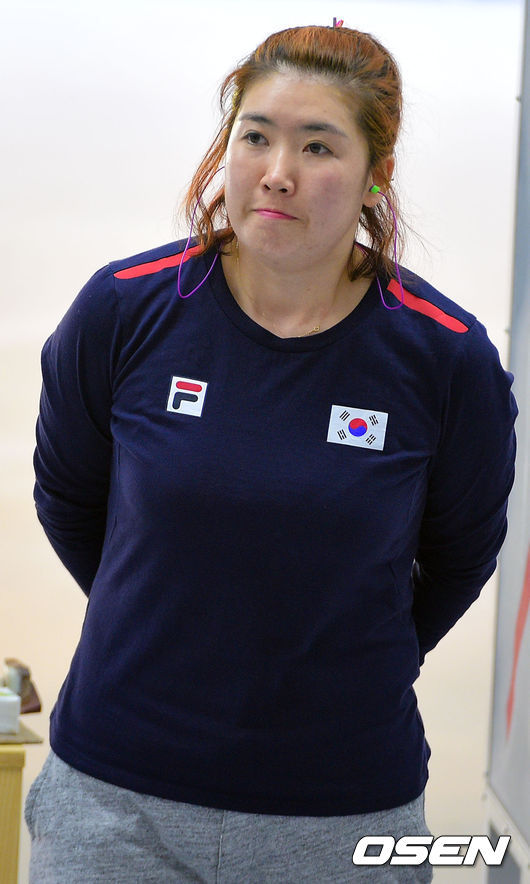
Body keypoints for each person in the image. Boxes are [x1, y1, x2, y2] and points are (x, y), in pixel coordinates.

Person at [26, 23, 517, 883]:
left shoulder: (446, 356)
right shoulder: (125, 308)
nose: (277, 171)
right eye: (256, 136)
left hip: (343, 810)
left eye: (317, 145)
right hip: (116, 799)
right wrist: (159, 620)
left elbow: (462, 553)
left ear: (376, 176)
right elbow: (69, 496)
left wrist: (355, 664)